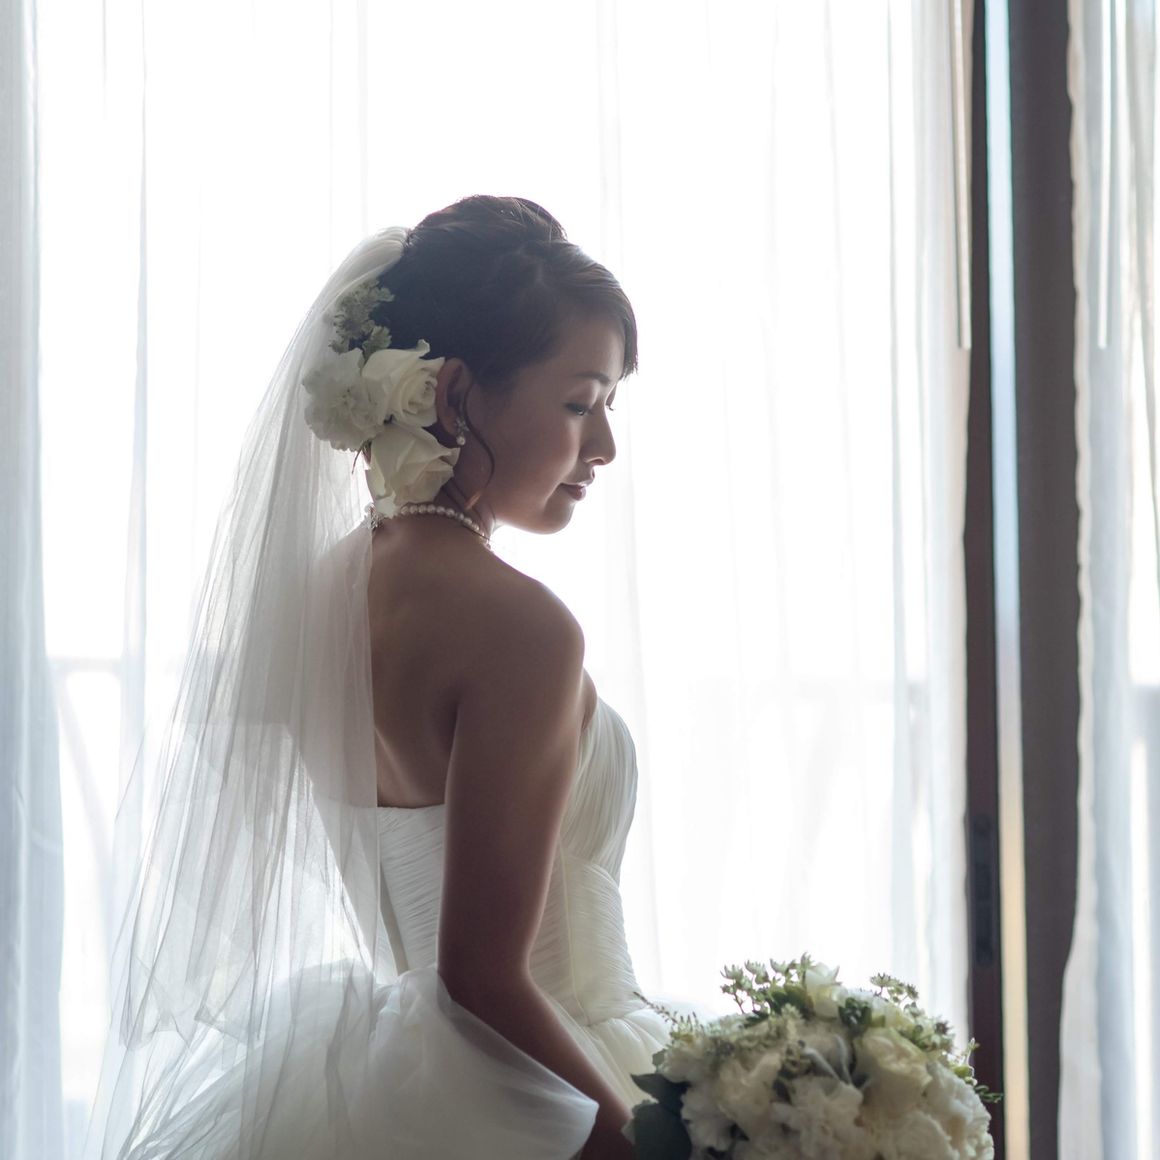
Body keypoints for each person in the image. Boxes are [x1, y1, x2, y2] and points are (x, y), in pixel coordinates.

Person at [86, 195, 668, 1159]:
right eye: (579, 403)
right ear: (452, 394)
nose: (604, 447)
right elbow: (483, 981)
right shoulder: (523, 629)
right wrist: (638, 1146)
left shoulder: (315, 599)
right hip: (549, 1086)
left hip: (399, 1097)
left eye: (609, 407)